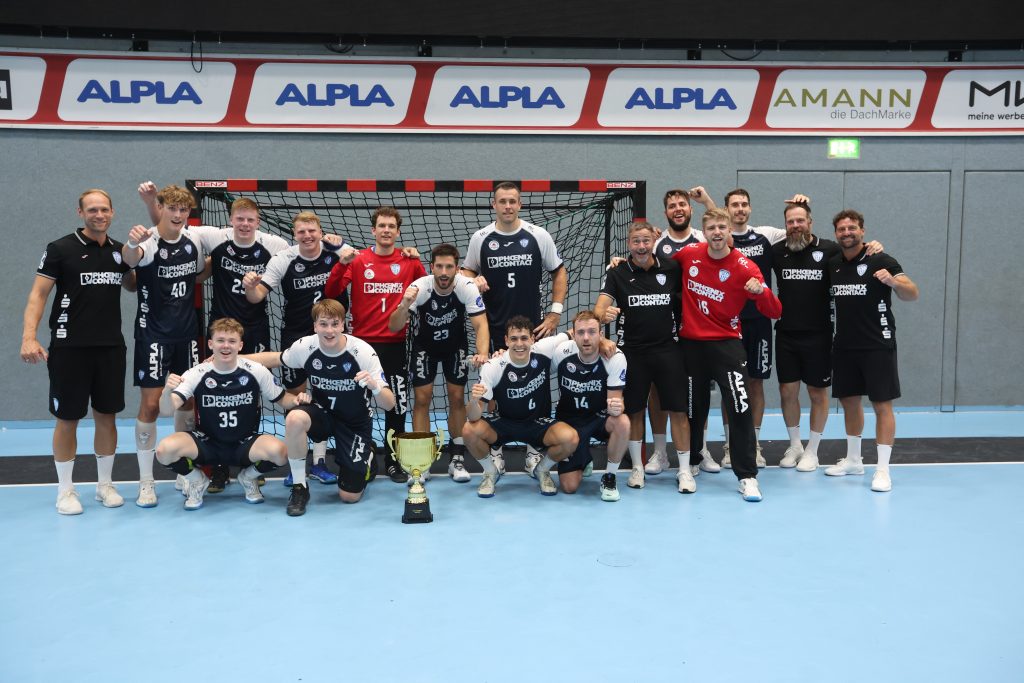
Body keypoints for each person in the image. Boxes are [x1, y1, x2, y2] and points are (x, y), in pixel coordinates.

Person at [139, 182, 294, 493]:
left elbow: (305, 247)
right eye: (240, 219)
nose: (245, 224)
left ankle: (248, 459)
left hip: (255, 327)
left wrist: (338, 247)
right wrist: (151, 204)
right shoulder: (214, 236)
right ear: (231, 220)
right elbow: (171, 225)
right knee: (212, 391)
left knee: (251, 390)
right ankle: (218, 464)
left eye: (250, 219)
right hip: (221, 327)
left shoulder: (274, 243)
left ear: (258, 221)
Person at [21, 189, 132, 515]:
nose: (99, 215)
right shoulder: (60, 249)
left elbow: (133, 284)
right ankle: (65, 491)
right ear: (80, 213)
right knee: (68, 418)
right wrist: (29, 337)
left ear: (112, 212)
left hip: (110, 347)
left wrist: (139, 253)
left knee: (107, 416)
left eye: (104, 209)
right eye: (92, 210)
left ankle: (104, 485)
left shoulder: (120, 251)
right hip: (69, 347)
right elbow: (38, 295)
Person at [673, 208, 783, 502]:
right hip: (692, 345)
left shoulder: (745, 266)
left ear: (729, 231)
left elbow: (775, 311)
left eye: (722, 227)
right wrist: (622, 263)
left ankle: (747, 476)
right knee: (694, 407)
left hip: (727, 345)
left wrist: (760, 292)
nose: (717, 232)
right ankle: (692, 460)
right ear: (704, 232)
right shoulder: (689, 254)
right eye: (712, 228)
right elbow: (658, 267)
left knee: (739, 406)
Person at [248, 299, 396, 515]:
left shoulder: (362, 352)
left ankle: (368, 456)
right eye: (323, 324)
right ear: (315, 326)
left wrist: (374, 386)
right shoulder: (305, 347)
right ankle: (300, 488)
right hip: (322, 414)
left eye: (335, 324)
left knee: (349, 497)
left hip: (354, 423)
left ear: (343, 324)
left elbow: (390, 404)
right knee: (294, 418)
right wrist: (235, 358)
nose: (329, 330)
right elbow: (275, 358)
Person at [460, 182, 568, 476]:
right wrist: (472, 281)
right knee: (494, 386)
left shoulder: (538, 235)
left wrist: (555, 312)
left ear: (520, 204)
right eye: (502, 201)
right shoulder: (481, 238)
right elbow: (466, 271)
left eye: (512, 201)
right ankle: (496, 449)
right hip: (496, 326)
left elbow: (559, 271)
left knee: (538, 384)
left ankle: (534, 450)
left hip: (532, 329)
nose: (508, 206)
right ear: (493, 205)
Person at [323, 206, 427, 483]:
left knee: (397, 405)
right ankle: (363, 457)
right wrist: (341, 263)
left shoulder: (409, 262)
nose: (386, 230)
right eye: (382, 226)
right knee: (359, 405)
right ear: (373, 230)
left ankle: (393, 461)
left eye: (391, 226)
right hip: (361, 346)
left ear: (398, 232)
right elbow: (331, 292)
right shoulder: (358, 260)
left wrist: (416, 257)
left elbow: (426, 290)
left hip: (395, 345)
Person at [243, 211, 346, 486]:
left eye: (312, 231)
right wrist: (249, 287)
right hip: (296, 335)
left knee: (325, 394)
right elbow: (257, 296)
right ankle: (296, 465)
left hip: (330, 333)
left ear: (321, 232)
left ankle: (320, 462)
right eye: (301, 231)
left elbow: (363, 262)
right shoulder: (283, 259)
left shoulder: (335, 252)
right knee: (294, 398)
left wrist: (343, 246)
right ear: (294, 234)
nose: (307, 236)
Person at [155, 318, 302, 510]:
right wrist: (167, 391)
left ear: (240, 345)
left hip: (244, 443)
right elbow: (166, 411)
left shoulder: (256, 371)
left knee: (281, 453)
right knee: (164, 451)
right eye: (220, 340)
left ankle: (248, 477)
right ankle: (197, 480)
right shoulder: (197, 373)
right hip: (206, 443)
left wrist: (299, 400)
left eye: (232, 341)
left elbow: (283, 399)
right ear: (210, 344)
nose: (226, 346)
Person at [123, 184, 208, 508]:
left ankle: (184, 470)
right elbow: (130, 258)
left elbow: (199, 274)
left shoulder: (193, 241)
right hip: (153, 336)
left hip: (186, 335)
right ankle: (146, 480)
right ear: (160, 209)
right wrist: (132, 242)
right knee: (151, 405)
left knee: (187, 402)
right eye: (172, 208)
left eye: (183, 209)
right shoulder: (148, 242)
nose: (178, 214)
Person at [594, 221, 692, 492]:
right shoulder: (617, 272)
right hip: (632, 353)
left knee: (678, 411)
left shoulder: (672, 267)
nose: (641, 246)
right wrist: (604, 317)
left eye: (646, 241)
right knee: (635, 410)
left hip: (668, 350)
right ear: (629, 244)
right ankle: (637, 467)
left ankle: (684, 471)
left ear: (654, 242)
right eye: (636, 241)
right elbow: (599, 309)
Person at [826, 209, 918, 493]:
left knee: (882, 405)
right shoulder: (834, 263)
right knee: (849, 402)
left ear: (862, 231)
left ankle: (882, 469)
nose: (847, 233)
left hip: (878, 344)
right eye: (842, 229)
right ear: (836, 234)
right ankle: (854, 460)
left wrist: (893, 282)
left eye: (852, 228)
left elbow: (912, 292)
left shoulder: (881, 259)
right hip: (844, 345)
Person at [717, 188, 808, 467]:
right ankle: (731, 446)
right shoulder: (719, 236)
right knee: (730, 384)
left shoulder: (766, 235)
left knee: (755, 383)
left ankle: (752, 445)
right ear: (727, 209)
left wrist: (802, 205)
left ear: (750, 208)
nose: (740, 209)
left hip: (759, 322)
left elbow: (800, 231)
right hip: (729, 323)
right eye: (734, 205)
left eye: (744, 204)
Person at [388, 243, 489, 483]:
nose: (444, 272)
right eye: (439, 267)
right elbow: (394, 326)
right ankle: (421, 462)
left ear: (457, 268)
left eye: (449, 267)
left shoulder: (466, 287)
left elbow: (481, 324)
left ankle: (457, 460)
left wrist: (482, 353)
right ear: (431, 267)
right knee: (422, 400)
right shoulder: (419, 288)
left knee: (457, 397)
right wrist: (404, 304)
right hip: (425, 349)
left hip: (455, 347)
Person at [644, 187, 718, 477]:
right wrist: (618, 262)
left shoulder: (702, 238)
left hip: (699, 327)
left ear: (690, 209)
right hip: (664, 329)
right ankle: (660, 452)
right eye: (672, 205)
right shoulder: (658, 244)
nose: (678, 209)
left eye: (682, 204)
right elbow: (639, 264)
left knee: (699, 392)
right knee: (657, 391)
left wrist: (707, 200)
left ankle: (700, 449)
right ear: (665, 212)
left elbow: (723, 233)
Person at [462, 316, 579, 498]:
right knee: (469, 430)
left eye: (524, 338)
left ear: (532, 339)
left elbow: (575, 333)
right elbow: (473, 416)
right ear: (506, 341)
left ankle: (542, 470)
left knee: (570, 438)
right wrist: (474, 400)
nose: (519, 344)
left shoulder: (544, 349)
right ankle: (490, 472)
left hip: (537, 423)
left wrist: (603, 342)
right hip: (503, 423)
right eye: (514, 339)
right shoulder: (493, 366)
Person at [546, 311, 629, 501]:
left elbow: (615, 403)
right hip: (569, 422)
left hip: (599, 418)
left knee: (622, 422)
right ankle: (584, 458)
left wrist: (617, 407)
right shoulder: (562, 352)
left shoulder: (614, 357)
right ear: (573, 334)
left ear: (601, 335)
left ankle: (610, 477)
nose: (586, 338)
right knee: (569, 487)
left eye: (592, 332)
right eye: (581, 332)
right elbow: (535, 367)